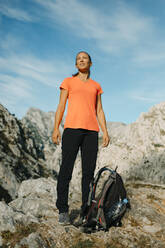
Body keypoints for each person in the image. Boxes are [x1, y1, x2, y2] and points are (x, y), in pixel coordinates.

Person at [52, 51, 110, 225]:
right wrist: (56, 128)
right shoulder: (68, 82)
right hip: (71, 131)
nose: (81, 60)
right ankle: (63, 209)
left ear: (90, 63)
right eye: (78, 59)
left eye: (84, 58)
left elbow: (99, 110)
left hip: (91, 132)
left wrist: (105, 131)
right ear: (76, 65)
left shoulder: (96, 86)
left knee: (88, 173)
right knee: (66, 171)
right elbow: (61, 105)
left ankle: (86, 210)